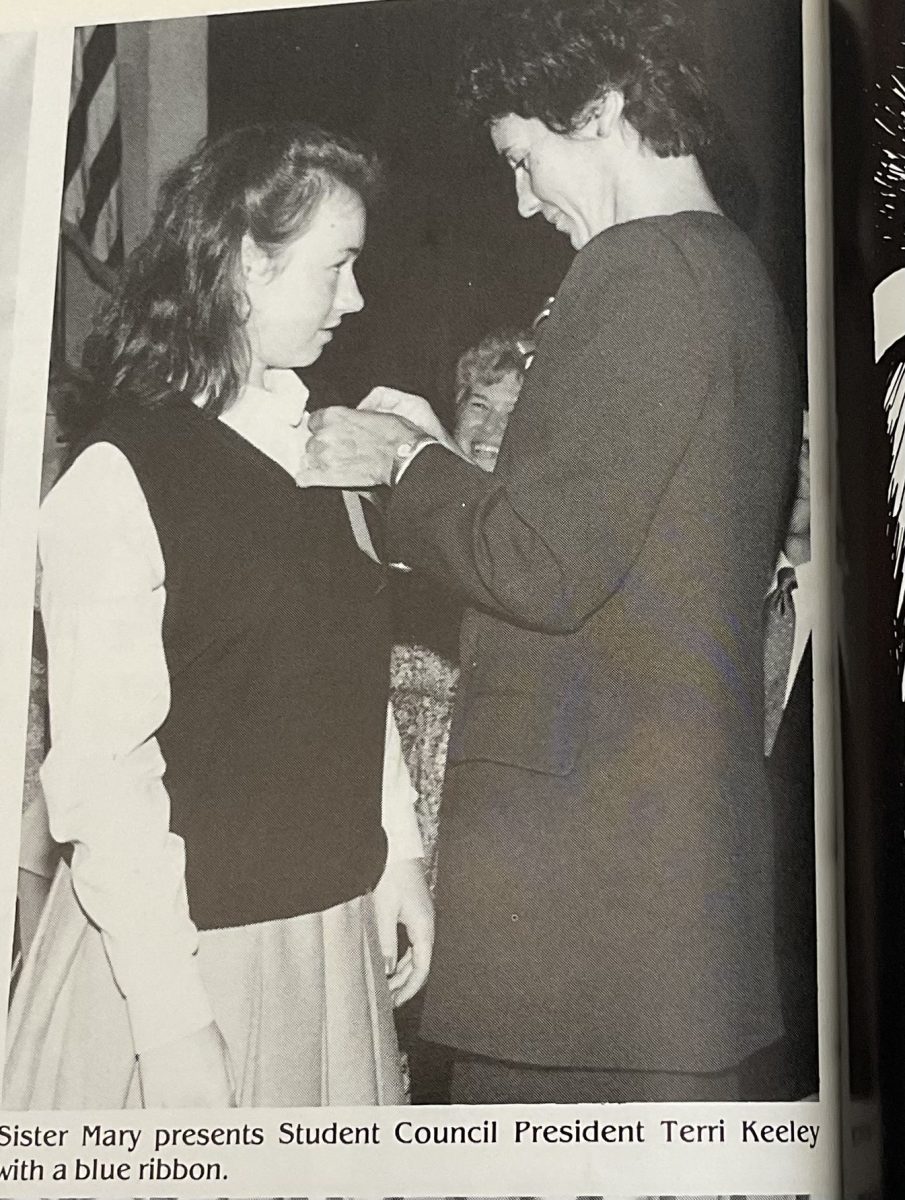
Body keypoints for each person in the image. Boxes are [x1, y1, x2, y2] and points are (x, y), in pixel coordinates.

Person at [305, 0, 803, 1102]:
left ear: (603, 108)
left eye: (523, 158)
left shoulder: (638, 271)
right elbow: (610, 553)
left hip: (580, 923)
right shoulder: (727, 278)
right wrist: (450, 468)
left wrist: (400, 462)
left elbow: (537, 567)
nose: (521, 201)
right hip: (649, 919)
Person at [4, 122, 433, 1110]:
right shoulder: (117, 480)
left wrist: (395, 854)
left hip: (325, 947)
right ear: (245, 264)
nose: (354, 299)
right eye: (335, 268)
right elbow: (105, 779)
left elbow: (344, 677)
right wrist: (171, 1018)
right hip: (179, 959)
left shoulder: (329, 451)